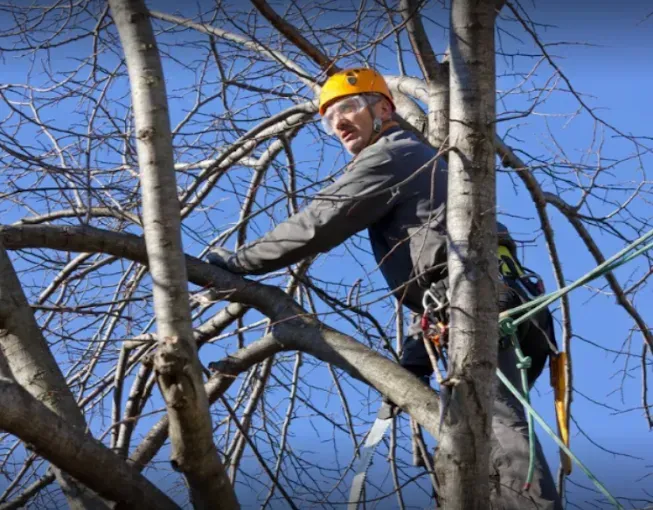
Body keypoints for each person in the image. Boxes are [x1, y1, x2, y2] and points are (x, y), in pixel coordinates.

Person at [207, 67, 562, 509]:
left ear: (383, 109)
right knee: (468, 439)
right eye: (328, 118)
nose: (337, 124)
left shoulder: (391, 154)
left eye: (348, 108)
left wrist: (237, 262)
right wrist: (415, 356)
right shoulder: (418, 157)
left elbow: (321, 221)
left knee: (496, 427)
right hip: (471, 303)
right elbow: (436, 265)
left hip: (482, 300)